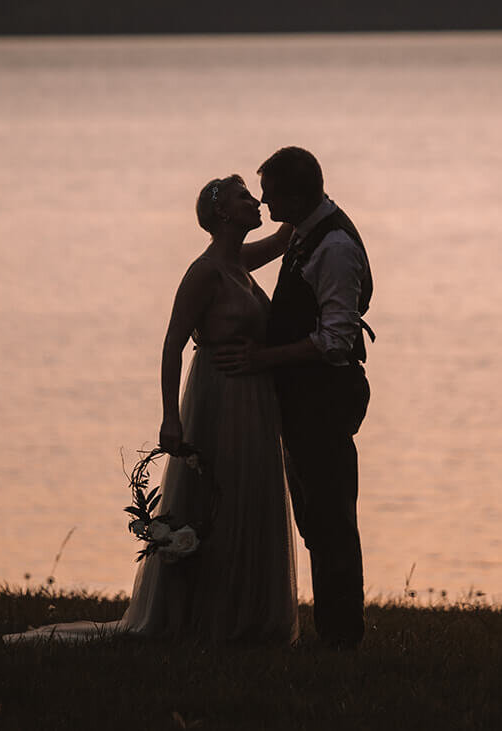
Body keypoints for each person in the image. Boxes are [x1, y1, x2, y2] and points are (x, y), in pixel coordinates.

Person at [4, 175, 298, 645]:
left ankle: (248, 616)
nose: (257, 201)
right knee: (218, 502)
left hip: (255, 400)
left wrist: (308, 196)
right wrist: (170, 417)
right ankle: (200, 618)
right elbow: (172, 344)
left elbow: (287, 237)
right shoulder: (205, 272)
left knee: (250, 499)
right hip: (219, 399)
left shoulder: (240, 263)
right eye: (246, 197)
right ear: (223, 213)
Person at [214, 147, 373, 649]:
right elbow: (234, 261)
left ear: (298, 195)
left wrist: (263, 358)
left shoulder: (335, 248)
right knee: (313, 518)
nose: (263, 200)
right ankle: (334, 633)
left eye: (272, 193)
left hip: (325, 401)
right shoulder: (303, 231)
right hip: (301, 402)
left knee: (331, 522)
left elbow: (335, 341)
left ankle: (341, 639)